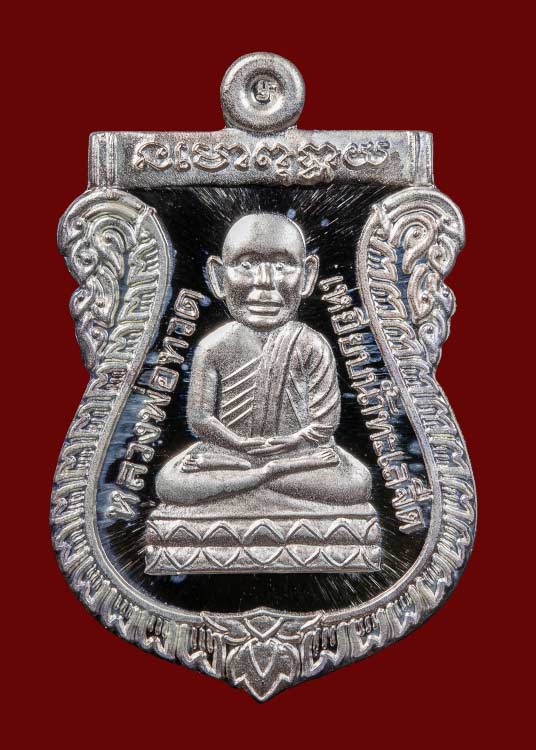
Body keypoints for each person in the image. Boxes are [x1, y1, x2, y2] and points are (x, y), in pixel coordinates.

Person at [155, 213, 372, 508]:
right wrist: (238, 443)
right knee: (169, 482)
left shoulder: (312, 344)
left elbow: (324, 425)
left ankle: (253, 479)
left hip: (298, 456)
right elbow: (201, 419)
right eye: (247, 265)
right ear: (218, 277)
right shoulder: (213, 347)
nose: (265, 282)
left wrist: (292, 443)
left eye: (282, 266)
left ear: (308, 275)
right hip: (227, 454)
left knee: (357, 481)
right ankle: (264, 476)